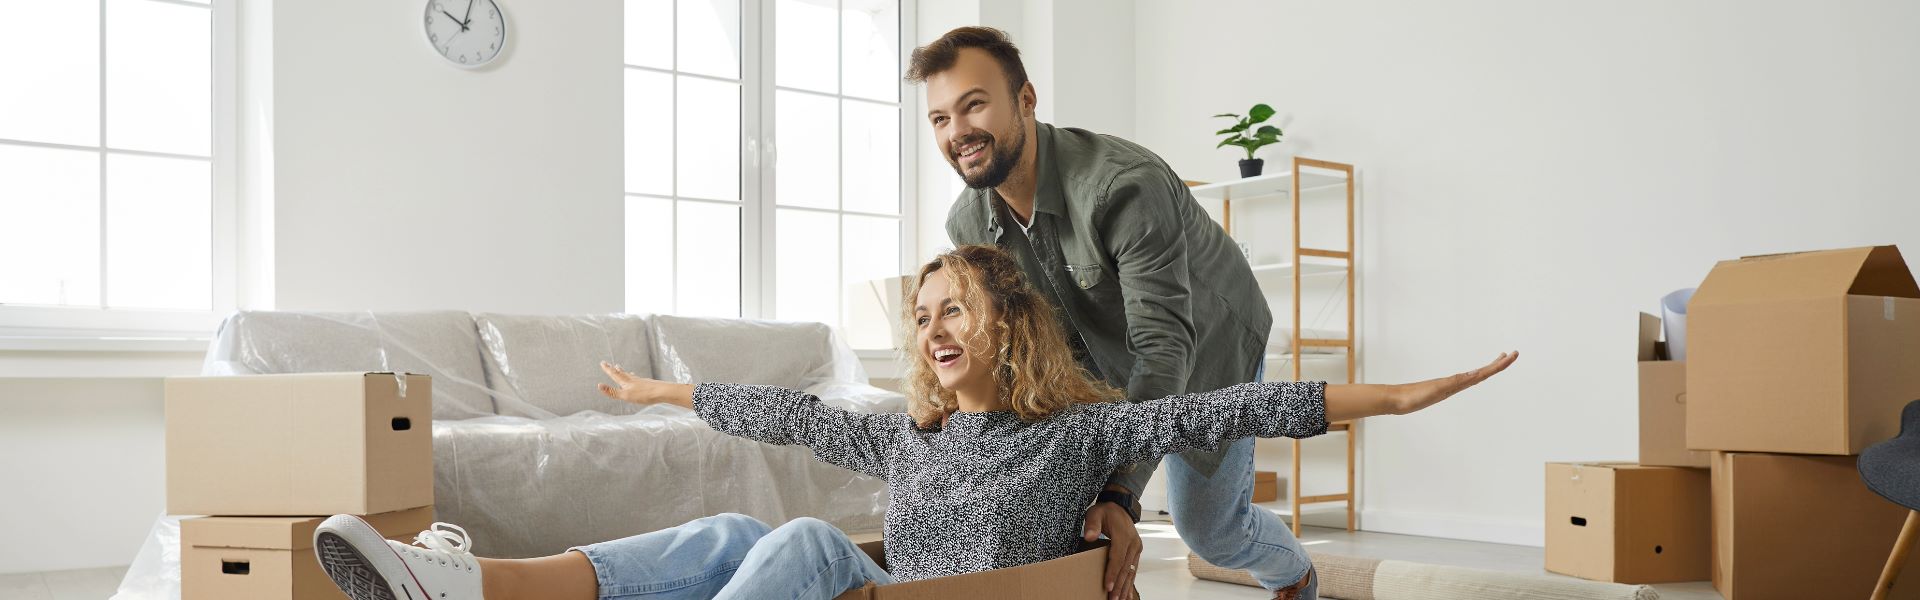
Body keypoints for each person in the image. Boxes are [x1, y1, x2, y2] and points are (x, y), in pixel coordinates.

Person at [309, 245, 1517, 600]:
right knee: (736, 527)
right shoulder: (906, 434)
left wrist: (1407, 395)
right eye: (923, 313)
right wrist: (661, 388)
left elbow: (1250, 402)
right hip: (872, 591)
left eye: (957, 309)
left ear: (1011, 327)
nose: (933, 328)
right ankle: (462, 592)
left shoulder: (1083, 436)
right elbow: (778, 411)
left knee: (805, 547)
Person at [914, 27, 1314, 598]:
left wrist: (1122, 492)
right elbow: (1023, 343)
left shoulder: (1126, 186)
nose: (958, 133)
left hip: (1208, 344)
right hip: (1101, 360)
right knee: (1068, 517)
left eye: (974, 104)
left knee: (1211, 532)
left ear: (1025, 100)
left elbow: (1164, 347)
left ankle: (1295, 573)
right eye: (940, 119)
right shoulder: (968, 222)